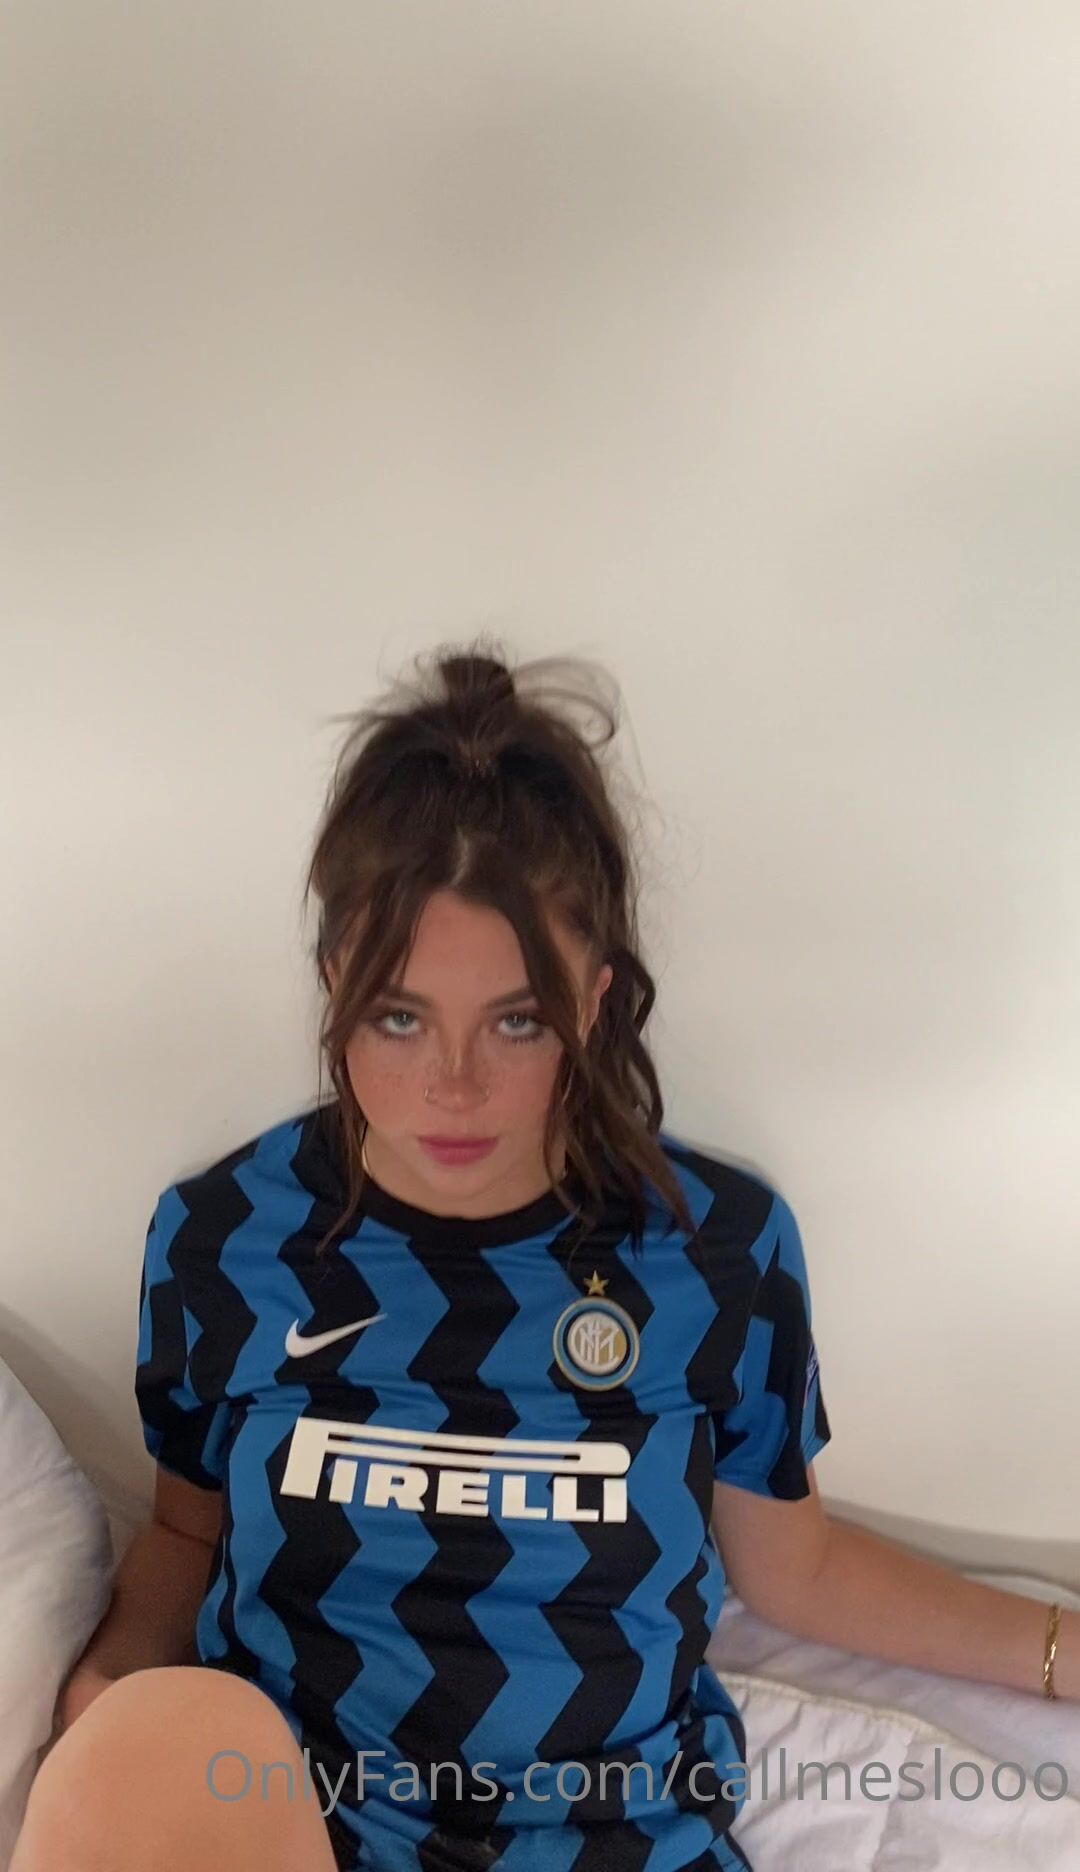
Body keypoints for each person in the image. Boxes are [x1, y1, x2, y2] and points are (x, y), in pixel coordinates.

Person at [15, 642, 1075, 1872]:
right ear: (334, 989)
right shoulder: (225, 1237)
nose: (452, 1085)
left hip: (617, 1843)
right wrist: (108, 1704)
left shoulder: (716, 1251)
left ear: (595, 1000)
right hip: (309, 1825)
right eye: (398, 1016)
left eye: (516, 1020)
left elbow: (803, 1572)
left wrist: (1059, 1655)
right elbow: (186, 1539)